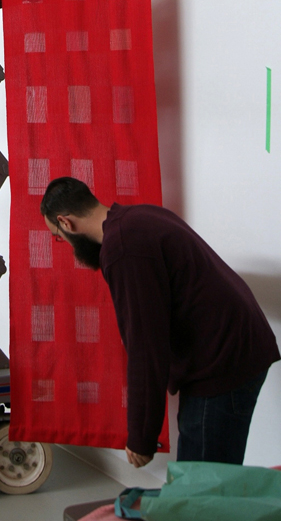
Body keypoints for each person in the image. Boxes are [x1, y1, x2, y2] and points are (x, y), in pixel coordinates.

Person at [40, 177, 279, 468]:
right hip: (240, 346)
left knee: (201, 489)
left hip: (223, 362)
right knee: (209, 480)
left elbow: (146, 347)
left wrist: (141, 437)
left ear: (66, 223)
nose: (64, 243)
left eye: (57, 236)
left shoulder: (123, 248)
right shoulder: (138, 216)